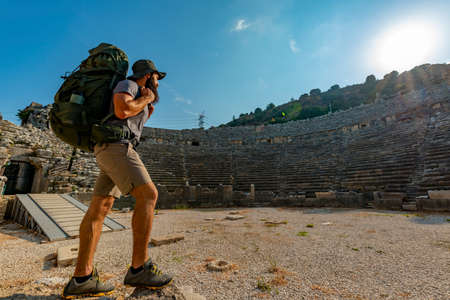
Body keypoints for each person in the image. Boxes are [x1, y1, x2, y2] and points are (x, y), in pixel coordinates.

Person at [62, 60, 172, 299]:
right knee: (149, 194)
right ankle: (139, 268)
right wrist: (146, 99)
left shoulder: (139, 92)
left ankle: (82, 279)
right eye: (157, 78)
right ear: (149, 75)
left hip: (110, 147)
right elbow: (122, 110)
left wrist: (147, 108)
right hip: (116, 146)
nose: (158, 83)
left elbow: (127, 117)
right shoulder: (128, 84)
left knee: (99, 208)